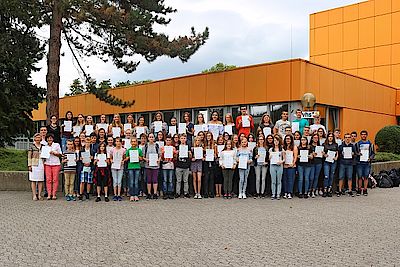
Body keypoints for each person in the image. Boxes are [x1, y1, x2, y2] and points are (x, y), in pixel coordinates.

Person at [43, 133, 62, 200]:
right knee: (48, 179)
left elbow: (60, 155)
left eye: (51, 138)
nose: (49, 139)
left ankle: (54, 194)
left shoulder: (56, 145)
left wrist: (54, 153)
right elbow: (43, 156)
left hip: (56, 164)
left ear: (53, 139)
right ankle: (49, 194)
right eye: (48, 138)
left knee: (55, 179)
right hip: (47, 164)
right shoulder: (44, 146)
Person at [356, 130, 375, 196]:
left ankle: (365, 190)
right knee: (360, 177)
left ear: (366, 135)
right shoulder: (358, 144)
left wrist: (370, 158)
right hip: (359, 163)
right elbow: (355, 153)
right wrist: (358, 154)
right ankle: (359, 189)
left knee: (366, 177)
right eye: (362, 134)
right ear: (360, 135)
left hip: (367, 163)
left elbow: (373, 153)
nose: (363, 135)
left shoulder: (370, 144)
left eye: (365, 134)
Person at [142, 133, 161, 200]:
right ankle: (149, 193)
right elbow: (142, 156)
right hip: (148, 166)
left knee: (155, 180)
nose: (151, 138)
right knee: (149, 180)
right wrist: (146, 159)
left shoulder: (156, 145)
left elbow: (160, 155)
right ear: (148, 138)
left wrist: (158, 160)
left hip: (155, 166)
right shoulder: (145, 146)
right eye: (150, 137)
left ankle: (155, 193)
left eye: (152, 137)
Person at [125, 137, 143, 202]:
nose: (133, 143)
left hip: (137, 167)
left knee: (136, 182)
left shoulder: (139, 150)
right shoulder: (128, 150)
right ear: (130, 143)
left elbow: (141, 158)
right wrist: (129, 157)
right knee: (131, 182)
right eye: (132, 141)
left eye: (135, 141)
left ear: (136, 142)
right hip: (130, 167)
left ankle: (136, 195)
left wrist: (139, 157)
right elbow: (126, 159)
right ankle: (131, 195)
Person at [28, 133, 44, 200]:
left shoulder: (43, 146)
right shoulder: (31, 146)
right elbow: (29, 156)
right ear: (34, 138)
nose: (38, 139)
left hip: (41, 164)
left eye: (39, 138)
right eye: (36, 138)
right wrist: (29, 165)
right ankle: (34, 195)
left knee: (40, 180)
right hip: (34, 164)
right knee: (33, 180)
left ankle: (39, 195)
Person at [175, 134, 192, 198]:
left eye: (184, 138)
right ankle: (177, 192)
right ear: (179, 139)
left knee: (185, 180)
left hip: (186, 166)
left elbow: (190, 157)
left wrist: (190, 154)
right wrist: (176, 154)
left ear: (186, 139)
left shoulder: (188, 147)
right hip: (179, 166)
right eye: (181, 138)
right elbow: (175, 158)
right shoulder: (177, 147)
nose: (183, 139)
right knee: (178, 180)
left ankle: (186, 192)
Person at [269, 135, 285, 200]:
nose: (276, 142)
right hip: (272, 166)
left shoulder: (282, 149)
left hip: (279, 166)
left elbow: (284, 159)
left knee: (279, 180)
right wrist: (270, 157)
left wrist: (281, 162)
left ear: (279, 141)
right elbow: (269, 158)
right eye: (275, 140)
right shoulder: (271, 149)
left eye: (277, 140)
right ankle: (273, 194)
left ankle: (278, 194)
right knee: (273, 181)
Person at [322, 132, 338, 197]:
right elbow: (322, 152)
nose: (330, 137)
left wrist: (336, 157)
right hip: (326, 162)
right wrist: (324, 155)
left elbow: (337, 152)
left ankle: (329, 190)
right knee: (326, 176)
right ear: (327, 137)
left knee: (331, 175)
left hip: (333, 162)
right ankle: (325, 190)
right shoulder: (324, 144)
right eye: (329, 136)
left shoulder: (336, 144)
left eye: (331, 136)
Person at [160, 135, 176, 199]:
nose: (168, 141)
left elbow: (175, 158)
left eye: (169, 140)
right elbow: (161, 158)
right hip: (165, 165)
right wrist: (162, 153)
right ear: (165, 141)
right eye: (167, 140)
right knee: (165, 180)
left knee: (170, 180)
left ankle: (170, 192)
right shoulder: (162, 148)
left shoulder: (173, 148)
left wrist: (174, 154)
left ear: (171, 141)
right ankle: (165, 193)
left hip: (171, 165)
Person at [79, 136, 95, 201]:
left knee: (89, 181)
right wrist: (81, 159)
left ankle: (87, 194)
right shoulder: (81, 150)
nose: (87, 143)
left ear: (90, 143)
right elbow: (79, 159)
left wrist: (92, 158)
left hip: (89, 167)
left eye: (89, 142)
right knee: (82, 181)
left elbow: (94, 159)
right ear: (84, 142)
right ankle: (81, 194)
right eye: (86, 142)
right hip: (83, 167)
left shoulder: (92, 151)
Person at [283, 134, 297, 199]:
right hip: (285, 165)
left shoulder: (294, 147)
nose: (287, 140)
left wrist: (293, 163)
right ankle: (285, 192)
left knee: (291, 179)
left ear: (291, 140)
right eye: (286, 139)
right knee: (285, 179)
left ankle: (290, 192)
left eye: (289, 139)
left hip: (292, 166)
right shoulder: (283, 147)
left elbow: (295, 156)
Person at [203, 132, 217, 198]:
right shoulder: (203, 144)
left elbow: (216, 154)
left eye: (210, 136)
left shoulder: (214, 144)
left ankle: (211, 192)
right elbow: (201, 153)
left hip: (212, 162)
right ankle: (205, 192)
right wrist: (204, 155)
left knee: (211, 177)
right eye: (207, 136)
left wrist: (214, 155)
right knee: (206, 177)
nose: (208, 137)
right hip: (206, 162)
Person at [310, 133, 323, 198]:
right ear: (312, 138)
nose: (316, 139)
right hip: (312, 163)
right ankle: (309, 189)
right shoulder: (309, 146)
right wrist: (311, 154)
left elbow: (322, 156)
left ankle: (313, 190)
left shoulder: (320, 147)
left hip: (319, 163)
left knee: (316, 177)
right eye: (314, 137)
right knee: (311, 177)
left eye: (317, 138)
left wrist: (323, 154)